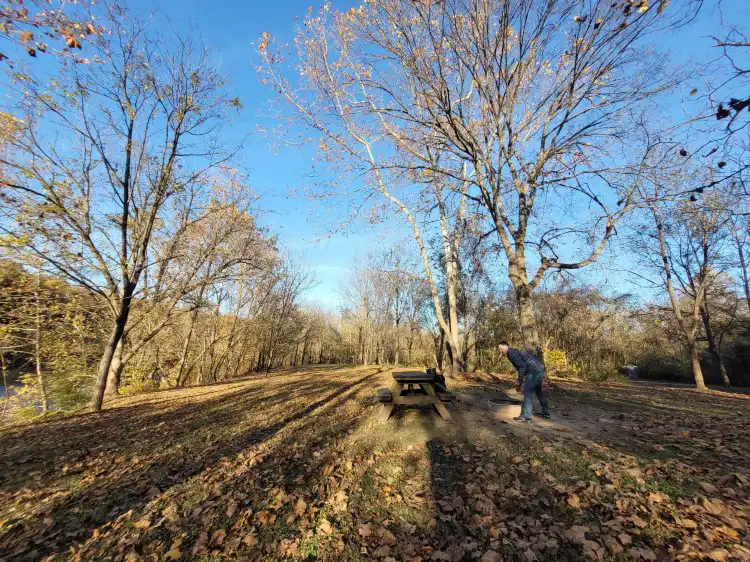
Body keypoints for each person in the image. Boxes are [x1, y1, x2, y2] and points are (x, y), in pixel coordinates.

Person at [498, 341, 550, 422]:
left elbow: (522, 367)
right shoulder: (512, 352)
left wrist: (519, 381)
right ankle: (545, 412)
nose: (500, 351)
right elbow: (521, 365)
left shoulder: (511, 353)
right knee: (538, 390)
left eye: (501, 348)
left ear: (506, 347)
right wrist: (518, 380)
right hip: (540, 368)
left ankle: (527, 416)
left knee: (527, 392)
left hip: (533, 370)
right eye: (499, 349)